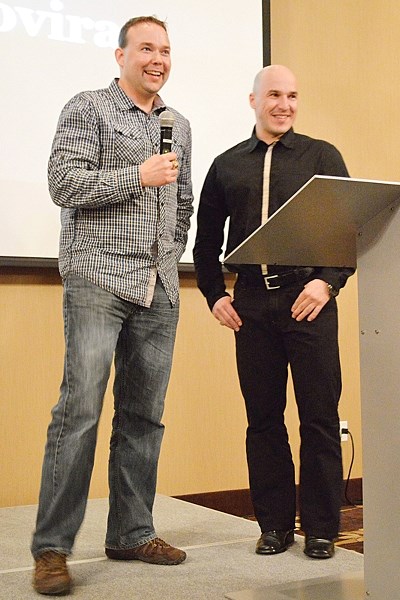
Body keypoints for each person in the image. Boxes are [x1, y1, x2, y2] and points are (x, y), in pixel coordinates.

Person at [31, 16, 193, 596]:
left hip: (158, 287)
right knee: (79, 413)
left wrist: (169, 254)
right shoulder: (87, 109)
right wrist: (137, 175)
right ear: (120, 55)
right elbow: (62, 183)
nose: (158, 58)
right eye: (146, 48)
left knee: (144, 417)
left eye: (166, 50)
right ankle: (51, 548)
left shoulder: (178, 124)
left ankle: (130, 531)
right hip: (97, 278)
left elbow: (184, 203)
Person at [193, 65, 354, 561]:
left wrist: (326, 283)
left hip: (309, 303)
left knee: (320, 420)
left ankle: (323, 529)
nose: (284, 104)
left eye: (292, 96)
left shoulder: (321, 156)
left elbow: (348, 229)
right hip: (253, 307)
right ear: (253, 100)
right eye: (274, 96)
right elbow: (205, 242)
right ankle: (274, 528)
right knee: (263, 420)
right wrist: (214, 294)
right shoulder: (226, 165)